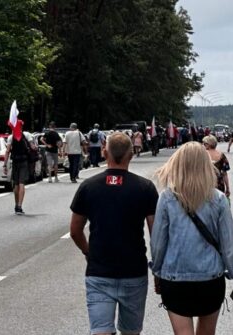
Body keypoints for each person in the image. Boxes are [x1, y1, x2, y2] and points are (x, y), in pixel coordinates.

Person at [150, 142, 233, 335]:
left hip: (175, 278)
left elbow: (158, 243)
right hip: (210, 279)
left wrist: (157, 272)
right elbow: (229, 244)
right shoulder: (218, 199)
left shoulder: (167, 197)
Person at [70, 132, 158, 335]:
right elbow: (156, 236)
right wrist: (158, 270)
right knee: (131, 332)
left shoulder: (88, 187)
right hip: (134, 271)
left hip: (99, 271)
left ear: (104, 152)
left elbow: (75, 231)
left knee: (100, 331)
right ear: (132, 155)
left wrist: (88, 252)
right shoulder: (145, 188)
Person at [4, 130, 35, 214]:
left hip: (15, 162)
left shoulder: (11, 137)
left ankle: (16, 205)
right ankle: (20, 206)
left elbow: (7, 151)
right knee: (22, 184)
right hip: (24, 162)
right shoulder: (27, 135)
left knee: (16, 184)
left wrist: (4, 165)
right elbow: (33, 147)